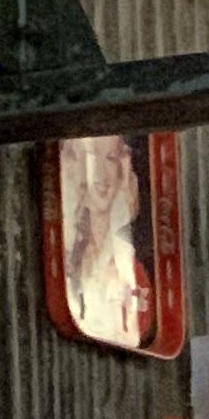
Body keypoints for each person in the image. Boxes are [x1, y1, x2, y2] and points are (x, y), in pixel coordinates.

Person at [63, 136, 151, 351]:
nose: (101, 173)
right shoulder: (65, 251)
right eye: (91, 158)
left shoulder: (129, 265)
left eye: (110, 159)